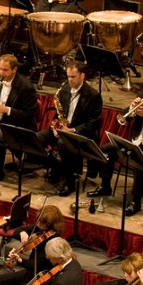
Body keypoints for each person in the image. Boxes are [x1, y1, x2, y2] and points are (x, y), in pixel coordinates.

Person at [86, 73, 143, 216]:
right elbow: (126, 117)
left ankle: (136, 200)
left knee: (138, 160)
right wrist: (132, 108)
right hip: (136, 140)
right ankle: (105, 186)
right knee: (105, 149)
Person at [39, 61, 103, 196]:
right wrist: (55, 126)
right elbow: (58, 114)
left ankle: (70, 182)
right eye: (68, 76)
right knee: (37, 138)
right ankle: (56, 167)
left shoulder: (93, 95)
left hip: (81, 134)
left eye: (73, 77)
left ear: (82, 76)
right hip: (63, 129)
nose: (70, 80)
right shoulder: (64, 90)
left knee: (63, 144)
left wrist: (72, 131)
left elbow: (93, 123)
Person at [0, 54, 38, 182]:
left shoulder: (26, 87)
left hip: (18, 126)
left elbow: (28, 116)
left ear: (14, 69)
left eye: (5, 70)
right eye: (0, 69)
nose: (1, 73)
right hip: (1, 122)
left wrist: (7, 110)